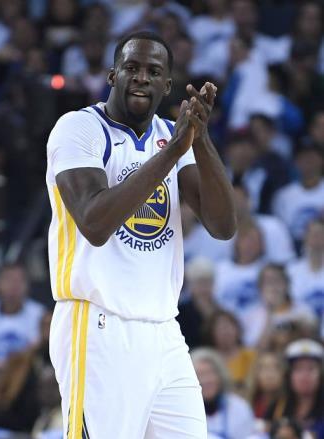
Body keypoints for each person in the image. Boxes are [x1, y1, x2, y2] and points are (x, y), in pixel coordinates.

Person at [45, 31, 236, 438]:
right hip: (98, 323)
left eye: (153, 71)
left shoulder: (173, 135)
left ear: (167, 85)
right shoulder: (79, 129)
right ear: (112, 75)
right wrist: (173, 151)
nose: (141, 77)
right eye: (131, 67)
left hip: (164, 329)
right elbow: (95, 223)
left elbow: (223, 226)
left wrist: (200, 138)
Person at [191, 348, 256, 439]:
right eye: (199, 375)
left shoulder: (238, 407)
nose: (205, 380)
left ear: (220, 375)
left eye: (209, 373)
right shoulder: (185, 411)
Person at [265, 338, 324, 437]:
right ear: (289, 375)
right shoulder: (277, 407)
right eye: (298, 369)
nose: (305, 375)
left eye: (311, 368)